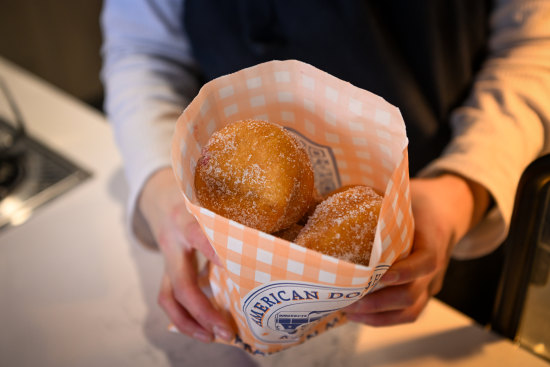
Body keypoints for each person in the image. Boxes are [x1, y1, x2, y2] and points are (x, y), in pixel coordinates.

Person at [100, 0, 550, 344]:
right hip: (235, 264)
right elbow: (144, 50)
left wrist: (462, 188)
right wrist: (162, 190)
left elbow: (534, 45)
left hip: (439, 241)